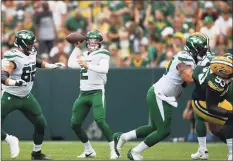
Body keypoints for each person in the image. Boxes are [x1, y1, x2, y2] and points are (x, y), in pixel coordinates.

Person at [114, 32, 209, 160]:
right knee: (164, 130)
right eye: (201, 49)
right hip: (160, 95)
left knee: (154, 128)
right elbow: (189, 78)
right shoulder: (184, 56)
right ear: (193, 48)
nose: (203, 52)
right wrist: (204, 71)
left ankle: (123, 137)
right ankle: (135, 152)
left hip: (163, 96)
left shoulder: (189, 58)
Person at [1, 30, 65, 160]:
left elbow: (34, 61)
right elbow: (3, 75)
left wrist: (49, 65)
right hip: (9, 96)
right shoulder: (12, 56)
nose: (32, 45)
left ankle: (36, 154)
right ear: (21, 43)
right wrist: (13, 82)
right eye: (29, 43)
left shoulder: (31, 51)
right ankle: (9, 140)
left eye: (32, 43)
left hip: (26, 96)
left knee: (41, 124)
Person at [68, 30, 118, 159]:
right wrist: (76, 49)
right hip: (83, 93)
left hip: (97, 91)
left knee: (100, 120)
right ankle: (88, 150)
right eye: (90, 40)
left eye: (95, 40)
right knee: (75, 124)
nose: (92, 43)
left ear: (100, 42)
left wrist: (87, 65)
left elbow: (104, 69)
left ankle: (114, 149)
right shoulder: (84, 54)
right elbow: (71, 64)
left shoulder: (103, 53)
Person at [191, 53, 233, 161]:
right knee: (227, 119)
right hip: (206, 102)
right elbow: (211, 105)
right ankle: (203, 150)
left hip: (216, 100)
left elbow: (195, 74)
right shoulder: (216, 80)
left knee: (221, 125)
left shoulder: (211, 68)